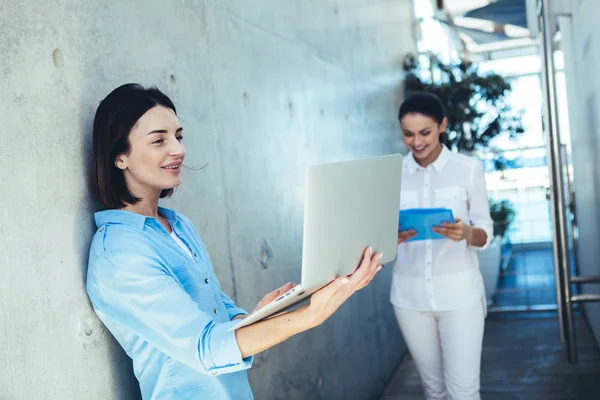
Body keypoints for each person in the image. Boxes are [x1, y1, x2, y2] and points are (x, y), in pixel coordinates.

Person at [86, 83, 384, 400]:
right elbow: (205, 347)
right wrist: (307, 316)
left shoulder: (178, 225)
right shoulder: (119, 252)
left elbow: (220, 314)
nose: (178, 149)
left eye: (179, 136)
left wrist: (259, 315)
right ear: (120, 158)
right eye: (159, 140)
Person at [392, 92, 493, 400]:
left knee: (463, 392)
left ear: (443, 126)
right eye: (408, 134)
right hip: (409, 300)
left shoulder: (468, 168)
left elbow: (485, 234)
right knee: (434, 392)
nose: (416, 142)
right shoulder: (392, 174)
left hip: (460, 298)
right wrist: (389, 238)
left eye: (425, 132)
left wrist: (465, 232)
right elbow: (374, 243)